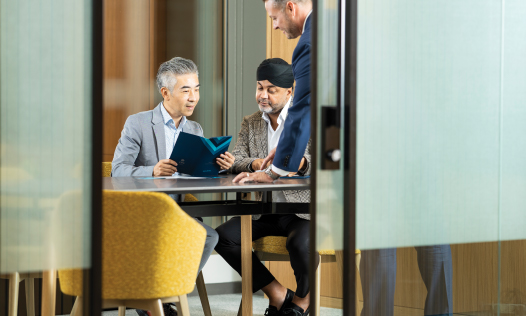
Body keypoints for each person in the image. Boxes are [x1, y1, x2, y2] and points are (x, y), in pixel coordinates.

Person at [238, 1, 454, 316]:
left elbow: (302, 111)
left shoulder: (312, 42)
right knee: (430, 232)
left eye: (274, 18)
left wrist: (275, 170)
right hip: (418, 138)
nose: (274, 26)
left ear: (291, 7)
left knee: (379, 237)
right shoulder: (349, 25)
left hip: (380, 145)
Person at [112, 57, 235, 316]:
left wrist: (220, 167)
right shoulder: (138, 123)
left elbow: (195, 176)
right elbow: (117, 171)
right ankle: (157, 301)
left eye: (197, 89)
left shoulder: (195, 129)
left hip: (179, 211)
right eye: (186, 90)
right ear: (165, 93)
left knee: (207, 235)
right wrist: (152, 171)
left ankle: (158, 297)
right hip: (144, 211)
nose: (194, 97)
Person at [215, 58, 315, 316]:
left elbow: (328, 164)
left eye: (272, 90)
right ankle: (278, 293)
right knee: (222, 238)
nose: (263, 95)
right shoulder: (251, 122)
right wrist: (255, 164)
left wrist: (302, 164)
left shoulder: (308, 118)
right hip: (264, 210)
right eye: (260, 87)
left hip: (302, 211)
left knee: (301, 245)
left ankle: (302, 302)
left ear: (289, 92)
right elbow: (237, 159)